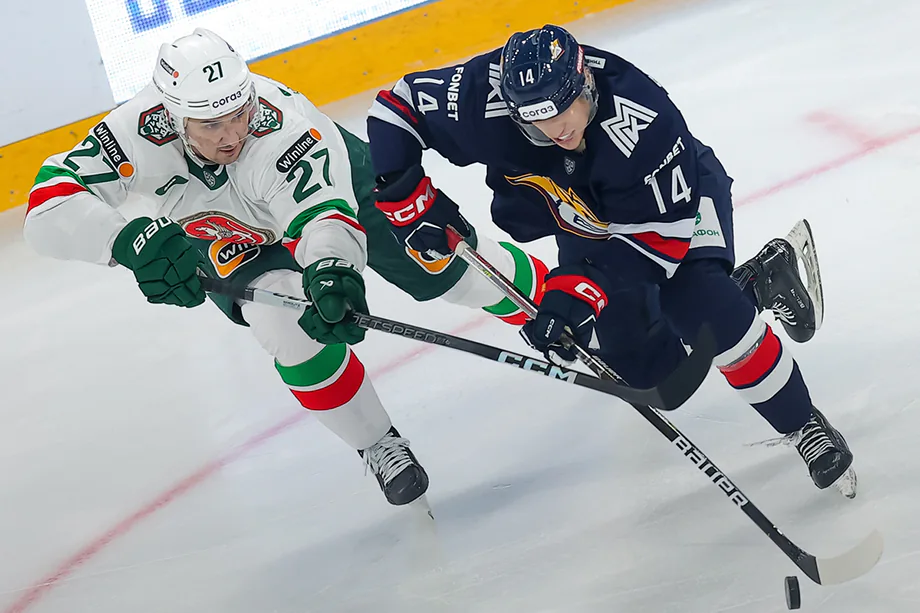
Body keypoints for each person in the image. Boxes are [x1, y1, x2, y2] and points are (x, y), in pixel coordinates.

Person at [22, 28, 549, 507]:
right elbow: (47, 206)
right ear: (174, 118)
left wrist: (331, 269)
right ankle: (376, 441)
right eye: (211, 124)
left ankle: (561, 310)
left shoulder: (281, 130)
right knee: (281, 323)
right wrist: (125, 241)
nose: (232, 135)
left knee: (452, 271)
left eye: (239, 113)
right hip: (225, 228)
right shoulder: (133, 133)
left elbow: (323, 218)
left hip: (336, 188)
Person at [365, 25, 855, 496]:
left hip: (672, 211)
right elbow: (396, 108)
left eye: (563, 109)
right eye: (535, 119)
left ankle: (803, 423)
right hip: (587, 224)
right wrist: (404, 195)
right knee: (654, 379)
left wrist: (578, 293)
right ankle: (757, 283)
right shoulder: (482, 97)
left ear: (585, 82)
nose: (555, 129)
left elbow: (656, 245)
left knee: (703, 306)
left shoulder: (642, 121)